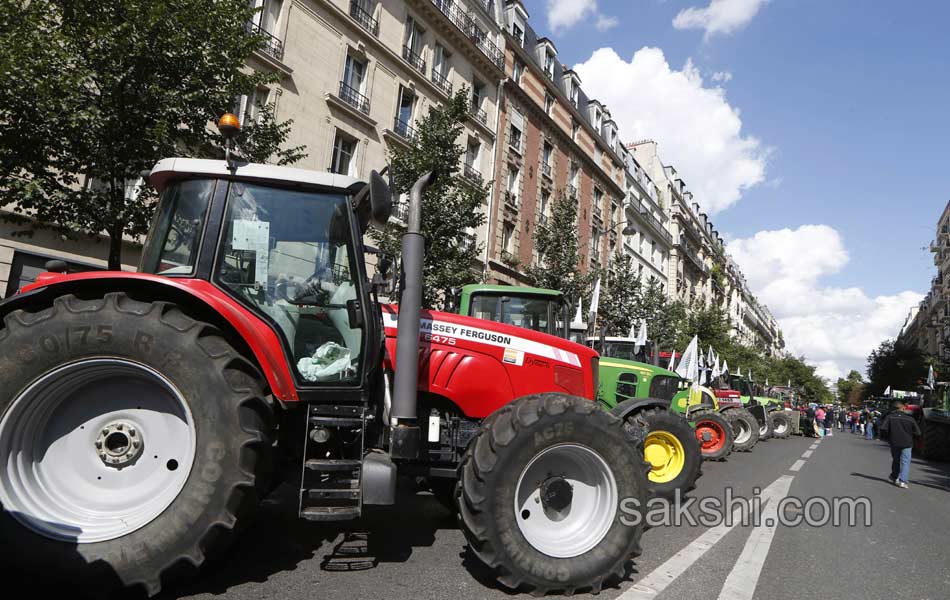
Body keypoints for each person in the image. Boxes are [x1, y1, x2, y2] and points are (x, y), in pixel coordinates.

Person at [880, 401, 921, 488]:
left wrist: (888, 437)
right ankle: (903, 481)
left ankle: (894, 476)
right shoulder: (910, 419)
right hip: (907, 443)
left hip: (894, 442)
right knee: (905, 462)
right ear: (903, 408)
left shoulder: (890, 417)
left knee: (896, 460)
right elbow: (918, 433)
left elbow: (883, 428)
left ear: (894, 409)